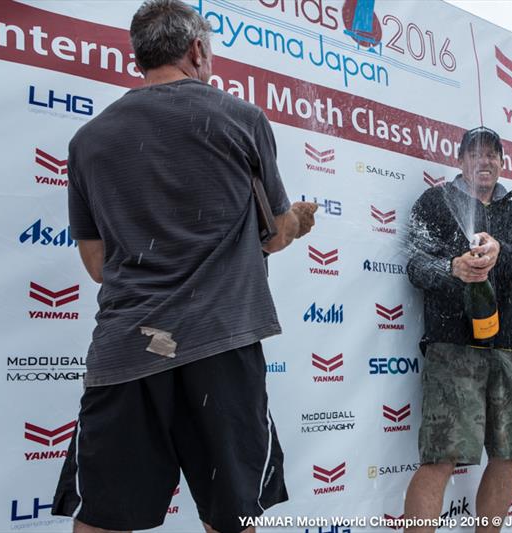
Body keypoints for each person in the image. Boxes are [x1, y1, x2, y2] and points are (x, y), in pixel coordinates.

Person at [51, 1, 317, 532]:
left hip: (127, 349)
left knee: (102, 516)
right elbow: (275, 233)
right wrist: (299, 222)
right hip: (221, 344)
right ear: (197, 50)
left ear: (139, 59)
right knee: (235, 516)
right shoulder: (241, 119)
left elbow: (98, 265)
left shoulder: (88, 141)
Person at [404, 126, 512, 533]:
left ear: (502, 162)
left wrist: (500, 251)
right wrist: (453, 269)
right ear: (460, 160)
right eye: (476, 154)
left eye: (493, 154)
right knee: (441, 458)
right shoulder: (435, 201)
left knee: (510, 454)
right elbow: (414, 265)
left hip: (508, 347)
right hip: (452, 345)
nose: (485, 161)